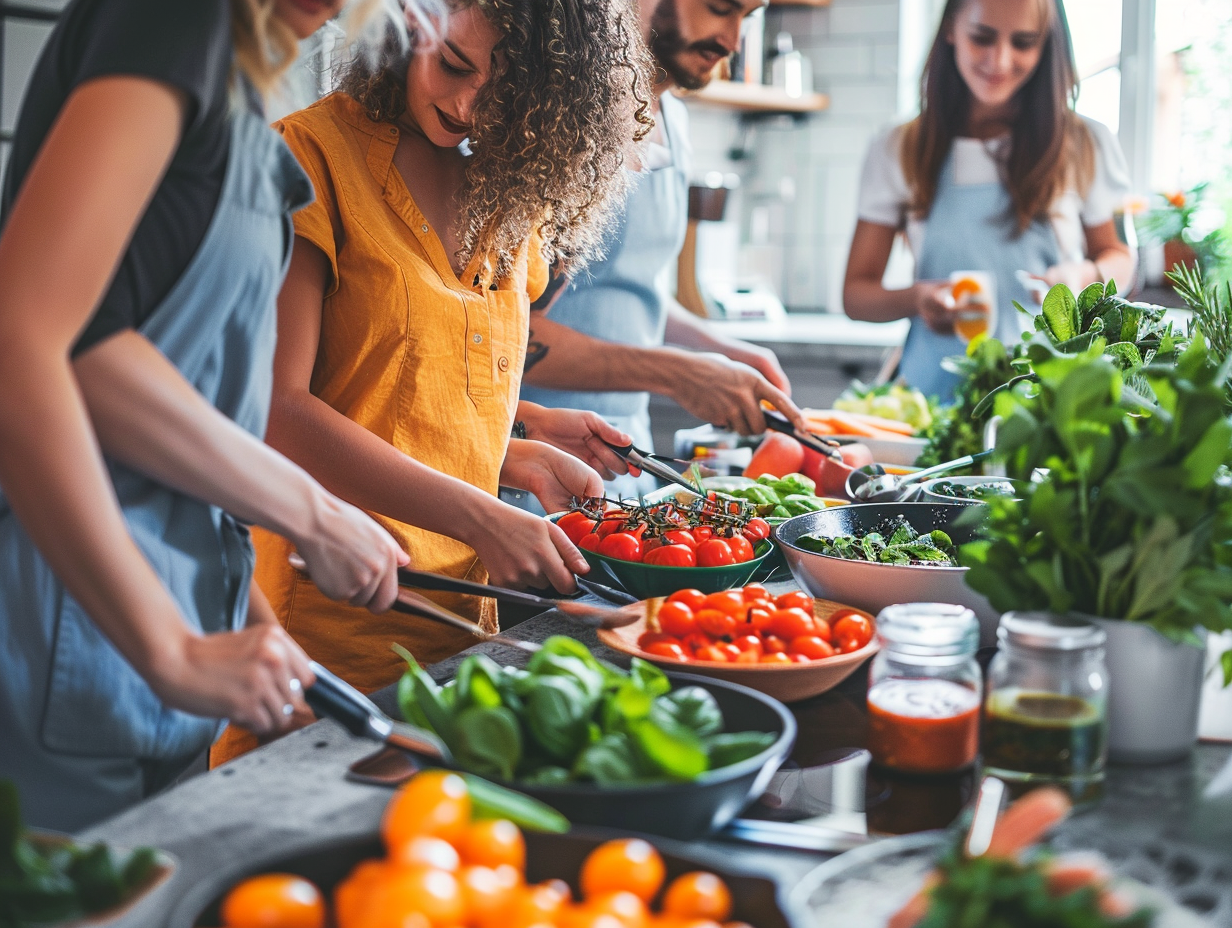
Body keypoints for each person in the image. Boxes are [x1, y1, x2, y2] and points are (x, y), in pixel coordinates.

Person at [0, 0, 415, 831]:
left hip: (151, 667)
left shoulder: (242, 85)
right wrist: (310, 515)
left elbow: (165, 402)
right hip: (64, 639)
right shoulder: (172, 19)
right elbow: (31, 337)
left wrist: (248, 631)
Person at [250, 0, 652, 696]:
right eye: (455, 66)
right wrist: (481, 513)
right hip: (327, 631)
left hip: (465, 623)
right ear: (413, 28)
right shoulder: (307, 159)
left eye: (505, 94)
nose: (468, 105)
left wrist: (518, 447)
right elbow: (278, 414)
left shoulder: (509, 194)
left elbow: (402, 389)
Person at [514, 0, 806, 501]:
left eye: (747, 18)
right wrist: (678, 372)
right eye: (720, 8)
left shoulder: (675, 119)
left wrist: (716, 348)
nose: (732, 40)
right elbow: (509, 330)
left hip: (630, 455)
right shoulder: (559, 112)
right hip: (534, 463)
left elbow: (626, 290)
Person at [842, 0, 1134, 400]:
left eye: (1024, 42)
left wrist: (1082, 277)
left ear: (1047, 43)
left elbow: (1119, 256)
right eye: (982, 38)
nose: (1000, 60)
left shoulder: (1084, 144)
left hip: (1046, 404)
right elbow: (857, 295)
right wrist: (918, 298)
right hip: (932, 401)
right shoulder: (900, 148)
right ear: (950, 30)